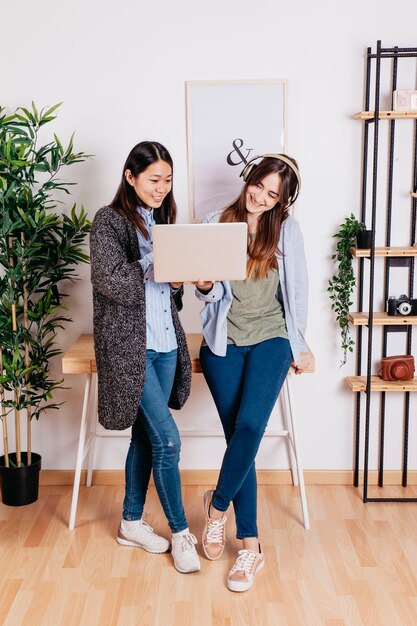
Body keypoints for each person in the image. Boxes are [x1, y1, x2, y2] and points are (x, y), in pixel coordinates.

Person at [195, 153, 312, 592]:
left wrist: (299, 346)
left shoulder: (287, 230)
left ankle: (219, 511)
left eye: (272, 194)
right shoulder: (214, 223)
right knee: (238, 441)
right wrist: (205, 285)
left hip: (272, 338)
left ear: (282, 200)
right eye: (258, 186)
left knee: (249, 426)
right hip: (224, 340)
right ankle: (250, 545)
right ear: (248, 178)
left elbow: (297, 289)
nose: (260, 197)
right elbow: (209, 297)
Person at [90, 141, 200, 574]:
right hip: (129, 348)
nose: (161, 187)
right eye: (154, 179)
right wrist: (160, 260)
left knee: (145, 437)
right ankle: (180, 533)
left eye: (168, 180)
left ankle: (130, 522)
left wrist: (184, 276)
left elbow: (170, 294)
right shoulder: (108, 222)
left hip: (166, 345)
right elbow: (111, 283)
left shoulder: (165, 221)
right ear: (130, 177)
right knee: (169, 439)